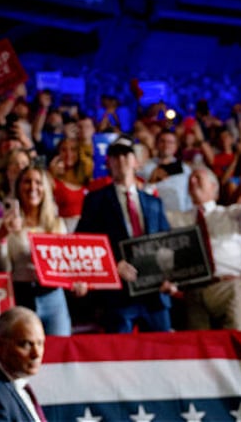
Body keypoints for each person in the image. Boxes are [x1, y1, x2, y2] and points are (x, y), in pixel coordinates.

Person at [75, 134, 173, 333]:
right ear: (108, 163)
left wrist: (171, 276)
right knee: (120, 357)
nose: (120, 160)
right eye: (115, 156)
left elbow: (168, 243)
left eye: (126, 155)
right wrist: (112, 266)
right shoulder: (95, 200)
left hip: (155, 294)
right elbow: (84, 245)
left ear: (136, 162)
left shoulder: (154, 202)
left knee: (164, 355)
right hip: (118, 296)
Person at [166, 165, 241, 331]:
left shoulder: (231, 214)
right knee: (200, 349)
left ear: (213, 187)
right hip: (192, 292)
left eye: (198, 177)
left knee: (235, 342)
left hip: (228, 287)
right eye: (190, 179)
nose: (192, 181)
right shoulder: (175, 220)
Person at [0, 165, 72, 336]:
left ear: (45, 188)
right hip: (21, 296)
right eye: (27, 182)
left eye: (38, 182)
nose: (33, 187)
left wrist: (77, 281)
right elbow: (3, 268)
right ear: (18, 187)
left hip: (53, 297)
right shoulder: (4, 224)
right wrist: (2, 237)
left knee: (60, 352)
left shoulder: (57, 224)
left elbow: (66, 266)